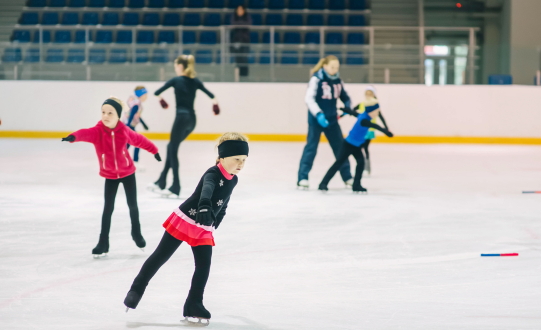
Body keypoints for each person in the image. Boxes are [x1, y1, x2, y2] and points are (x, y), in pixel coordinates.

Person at [124, 132, 249, 326]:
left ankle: (194, 303)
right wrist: (205, 204)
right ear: (222, 157)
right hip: (185, 218)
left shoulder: (233, 179)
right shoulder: (213, 173)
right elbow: (207, 189)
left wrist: (217, 220)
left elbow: (224, 202)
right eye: (236, 159)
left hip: (204, 225)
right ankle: (136, 290)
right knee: (160, 256)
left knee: (203, 266)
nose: (241, 164)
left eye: (244, 160)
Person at [61, 97, 161, 257]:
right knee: (108, 209)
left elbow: (140, 140)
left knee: (132, 205)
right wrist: (73, 137)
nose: (105, 116)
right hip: (110, 175)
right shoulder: (98, 131)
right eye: (103, 112)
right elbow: (84, 133)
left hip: (128, 173)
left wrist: (154, 150)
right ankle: (103, 242)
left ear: (118, 116)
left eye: (110, 113)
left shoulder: (125, 131)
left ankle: (136, 234)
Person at [149, 55, 220, 198]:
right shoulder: (195, 81)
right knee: (171, 147)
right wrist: (215, 105)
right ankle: (161, 181)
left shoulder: (176, 80)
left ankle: (175, 187)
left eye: (176, 66)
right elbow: (212, 96)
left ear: (180, 66)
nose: (175, 68)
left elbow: (156, 93)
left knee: (172, 149)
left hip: (181, 118)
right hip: (192, 121)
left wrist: (162, 101)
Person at [297, 55, 353, 189]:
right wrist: (319, 114)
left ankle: (347, 177)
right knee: (311, 147)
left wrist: (347, 106)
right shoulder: (316, 79)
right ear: (325, 66)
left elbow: (345, 97)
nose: (335, 70)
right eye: (332, 67)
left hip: (332, 121)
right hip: (316, 120)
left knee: (341, 148)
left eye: (337, 67)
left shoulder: (338, 81)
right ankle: (302, 178)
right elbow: (309, 99)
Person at [318, 100, 393, 193]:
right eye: (376, 112)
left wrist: (347, 110)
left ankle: (356, 185)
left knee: (361, 163)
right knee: (338, 163)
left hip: (356, 145)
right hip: (348, 144)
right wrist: (386, 132)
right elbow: (374, 125)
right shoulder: (365, 120)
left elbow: (354, 113)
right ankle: (323, 183)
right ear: (371, 112)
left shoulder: (364, 115)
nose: (377, 113)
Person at [354, 86, 389, 175]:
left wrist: (386, 128)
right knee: (359, 148)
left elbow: (381, 116)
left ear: (373, 95)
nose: (368, 95)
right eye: (367, 93)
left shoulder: (374, 105)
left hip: (369, 131)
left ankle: (366, 168)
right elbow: (352, 111)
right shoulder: (361, 104)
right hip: (361, 130)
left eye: (370, 94)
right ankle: (363, 167)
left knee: (364, 148)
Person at [123, 86, 150, 171]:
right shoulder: (136, 103)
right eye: (145, 95)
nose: (146, 97)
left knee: (127, 145)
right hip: (129, 125)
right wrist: (128, 126)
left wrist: (144, 124)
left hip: (127, 124)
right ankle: (135, 163)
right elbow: (132, 114)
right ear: (141, 95)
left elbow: (136, 115)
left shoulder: (133, 100)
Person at [230, 5, 252, 77]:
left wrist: (238, 24)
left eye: (241, 10)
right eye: (238, 10)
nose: (239, 11)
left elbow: (248, 24)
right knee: (238, 59)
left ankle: (245, 75)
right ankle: (238, 76)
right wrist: (241, 24)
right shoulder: (234, 17)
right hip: (236, 40)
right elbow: (233, 24)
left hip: (245, 41)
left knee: (244, 58)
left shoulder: (247, 16)